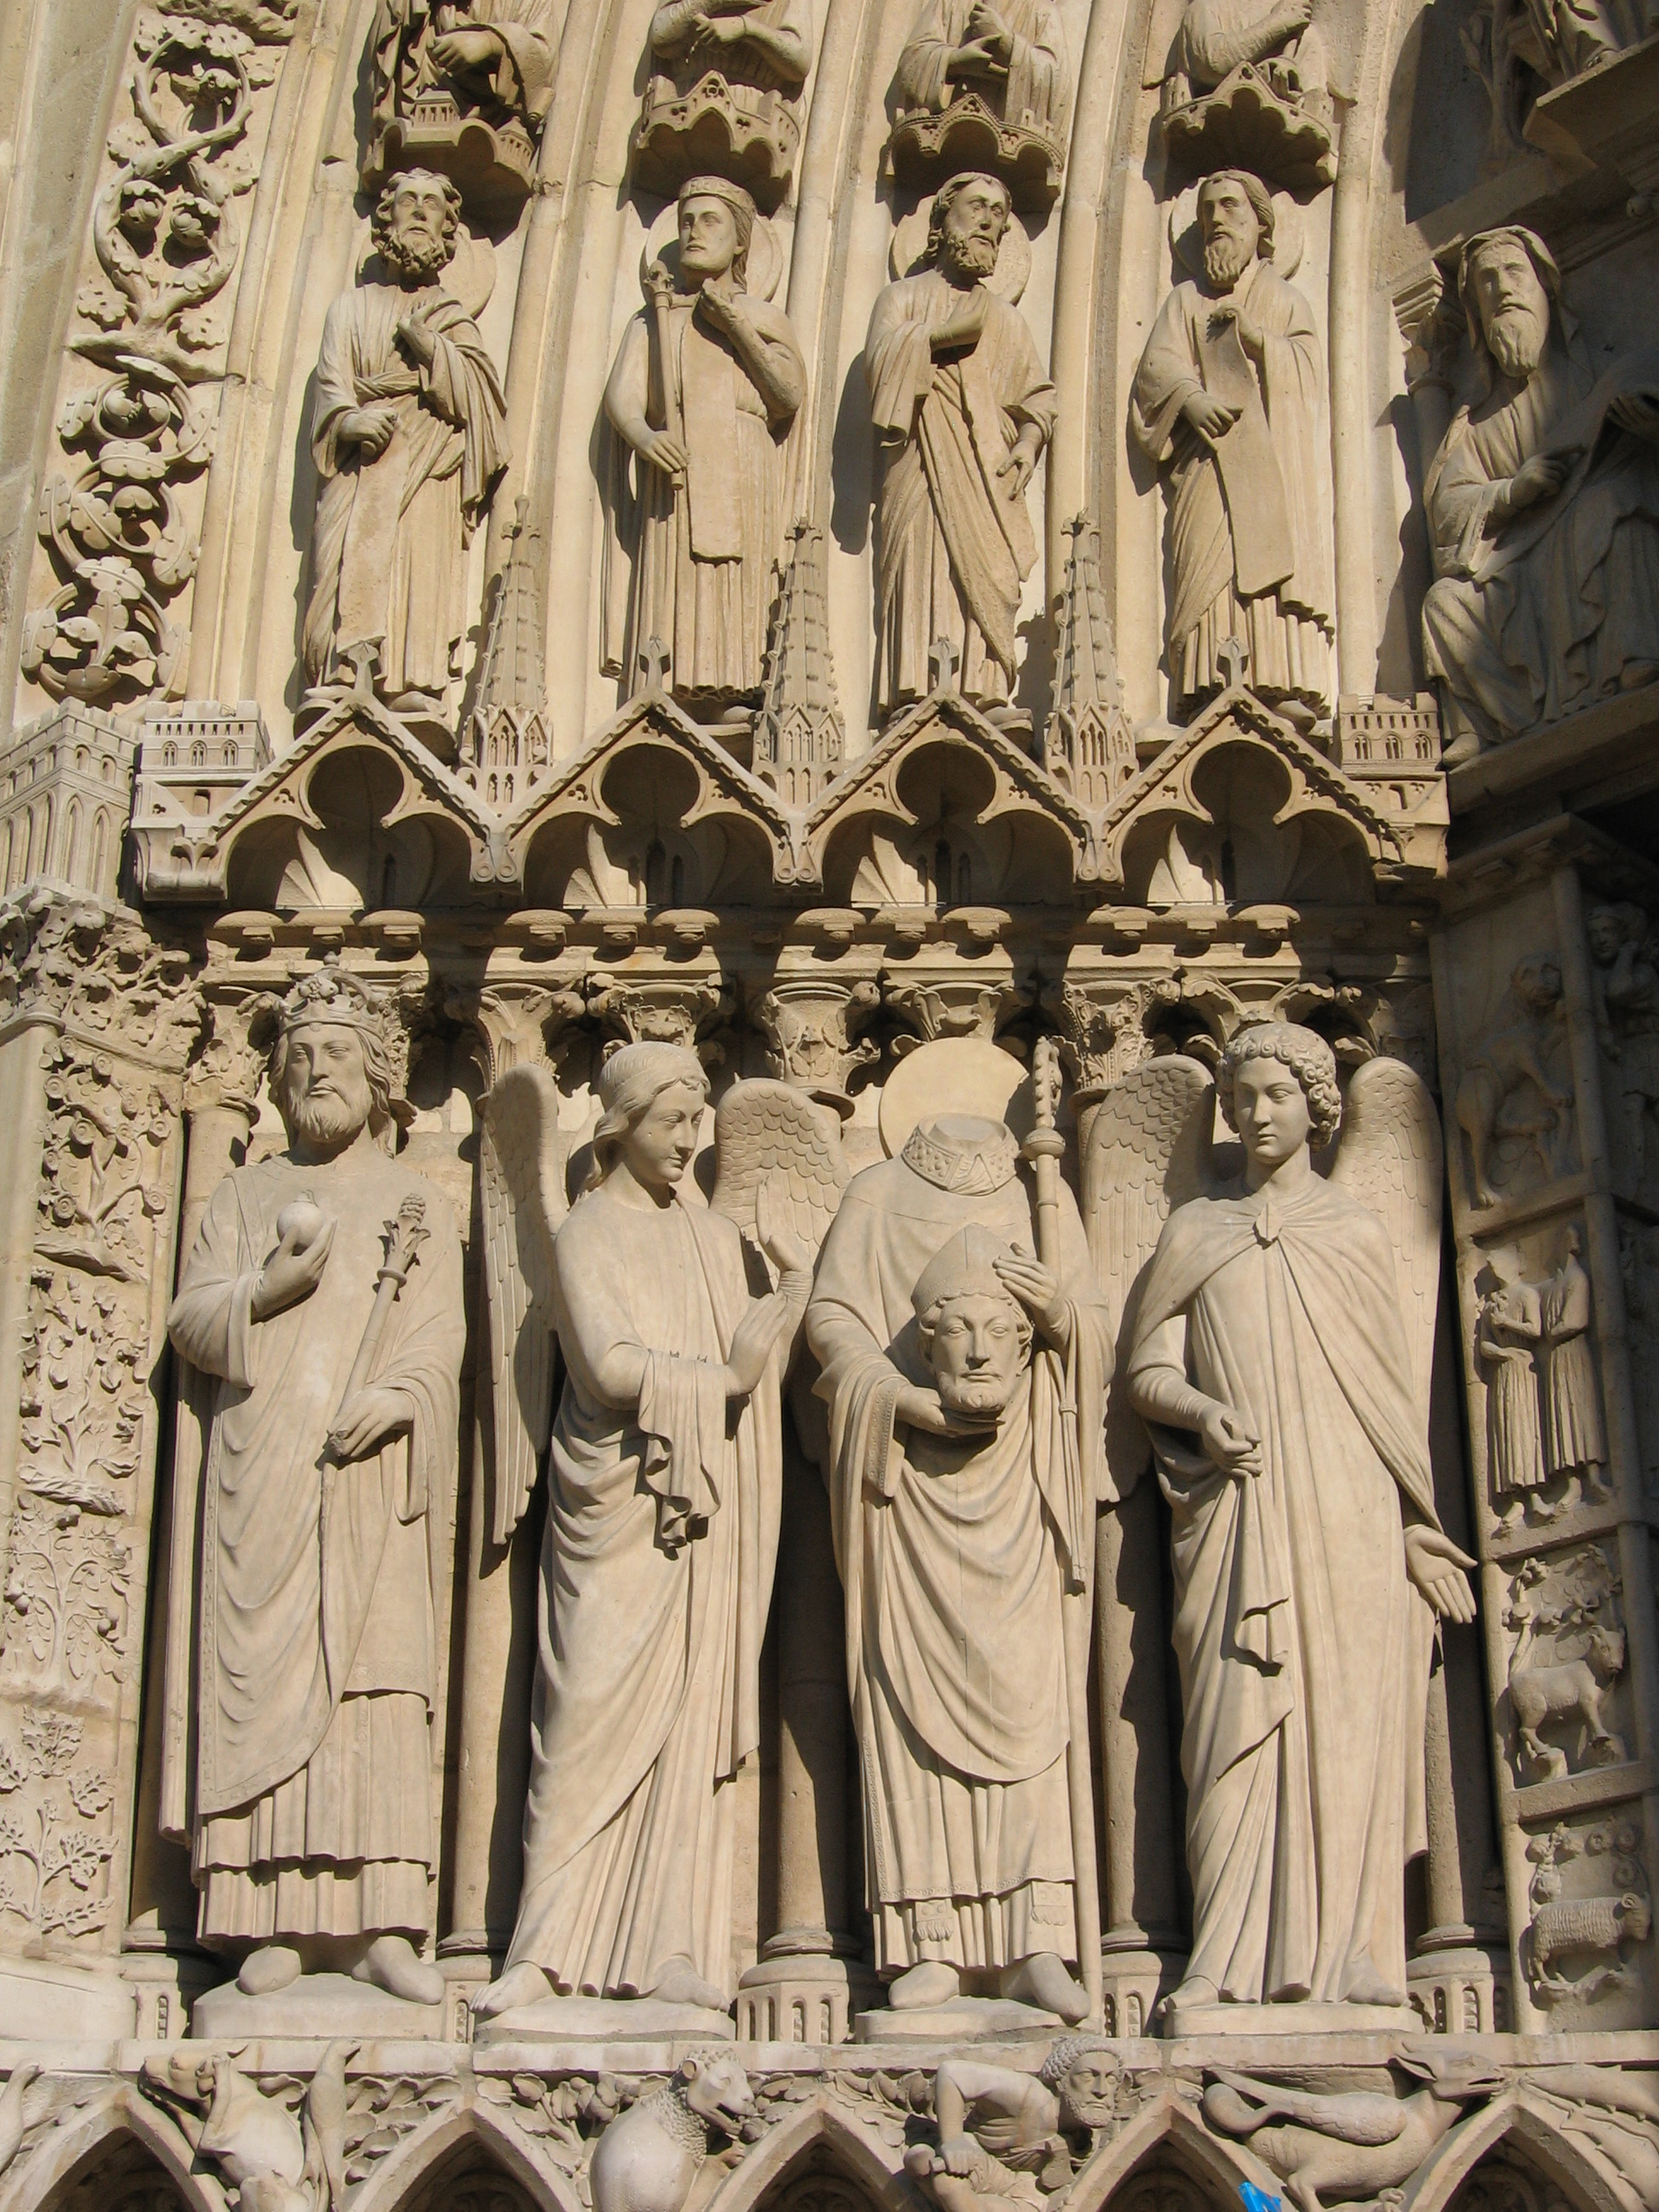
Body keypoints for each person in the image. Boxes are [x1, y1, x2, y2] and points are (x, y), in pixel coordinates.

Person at [1125, 1023, 1476, 2011]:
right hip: (1243, 1503)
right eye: (1240, 1099)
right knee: (1236, 1719)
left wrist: (1412, 1524)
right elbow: (1147, 1368)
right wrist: (1201, 1412)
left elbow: (1394, 1401)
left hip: (1352, 1510)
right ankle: (1230, 1959)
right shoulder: (1196, 1229)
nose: (1255, 1113)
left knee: (1355, 1721)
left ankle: (1362, 1953)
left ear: (1319, 1105)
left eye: (1276, 1093)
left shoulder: (1357, 1232)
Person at [475, 1043, 808, 2018]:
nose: (690, 1141)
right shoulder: (585, 1233)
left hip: (698, 1516)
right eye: (673, 1123)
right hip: (614, 1507)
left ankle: (671, 1944)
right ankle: (541, 1950)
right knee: (581, 1718)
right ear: (622, 1125)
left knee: (684, 1725)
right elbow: (608, 1370)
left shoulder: (712, 1241)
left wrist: (785, 1304)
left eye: (699, 1122)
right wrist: (732, 1379)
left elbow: (751, 1367)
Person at [164, 969, 465, 2005]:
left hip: (375, 1479)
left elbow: (443, 1343)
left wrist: (397, 1397)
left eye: (335, 1054)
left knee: (381, 1682)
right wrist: (268, 1288)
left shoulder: (416, 1199)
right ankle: (265, 1921)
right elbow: (190, 1323)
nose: (314, 1071)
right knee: (260, 1683)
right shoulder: (245, 1195)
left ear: (380, 1073)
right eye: (298, 1057)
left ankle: (383, 1921)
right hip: (265, 1471)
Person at [806, 1115, 1111, 2017]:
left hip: (1023, 1486)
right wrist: (891, 1392)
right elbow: (831, 1314)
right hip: (906, 1487)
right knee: (910, 1711)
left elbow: (1095, 1332)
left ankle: (1037, 1940)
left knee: (1033, 1705)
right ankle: (926, 1939)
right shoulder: (876, 1191)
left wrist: (1059, 1314)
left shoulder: (1042, 1195)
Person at [1423, 226, 1659, 754]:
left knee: (1609, 507)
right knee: (1444, 602)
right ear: (1478, 320)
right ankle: (1492, 724)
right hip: (1521, 565)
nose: (1501, 290)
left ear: (1545, 288)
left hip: (1589, 532)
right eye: (1485, 282)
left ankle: (1631, 653)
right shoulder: (1476, 425)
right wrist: (1511, 492)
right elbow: (1448, 513)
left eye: (1513, 273)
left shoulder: (1597, 368)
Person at [301, 170, 508, 727]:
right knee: (347, 556)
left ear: (448, 231)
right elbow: (331, 381)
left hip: (429, 459)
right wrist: (347, 421)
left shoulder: (451, 316)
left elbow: (482, 401)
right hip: (364, 459)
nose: (419, 214)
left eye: (433, 207)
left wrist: (430, 349)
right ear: (385, 218)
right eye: (408, 203)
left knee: (421, 559)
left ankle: (413, 677)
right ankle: (341, 673)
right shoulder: (351, 308)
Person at [1130, 169, 1333, 725]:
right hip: (1206, 464)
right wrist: (1190, 399)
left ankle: (1277, 677)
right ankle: (1207, 684)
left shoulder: (1284, 300)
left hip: (1269, 468)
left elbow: (1310, 374)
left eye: (1230, 209)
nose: (1217, 221)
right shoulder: (1185, 301)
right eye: (1207, 213)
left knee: (1266, 564)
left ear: (1261, 226)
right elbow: (1156, 372)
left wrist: (1256, 340)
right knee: (1205, 565)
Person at [602, 177, 805, 714]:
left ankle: (734, 689)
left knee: (737, 574)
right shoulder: (657, 318)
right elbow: (621, 397)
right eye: (686, 221)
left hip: (743, 462)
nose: (694, 232)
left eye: (710, 221)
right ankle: (669, 684)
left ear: (741, 240)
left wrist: (734, 324)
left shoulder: (762, 317)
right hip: (680, 462)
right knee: (681, 573)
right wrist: (646, 436)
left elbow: (787, 395)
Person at [865, 172, 1057, 720]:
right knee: (924, 553)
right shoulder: (901, 298)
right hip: (921, 462)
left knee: (985, 569)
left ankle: (984, 686)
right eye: (976, 207)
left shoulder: (1007, 319)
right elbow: (879, 371)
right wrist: (940, 336)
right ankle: (914, 687)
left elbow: (1038, 397)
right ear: (941, 221)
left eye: (999, 214)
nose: (988, 222)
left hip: (988, 469)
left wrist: (1027, 442)